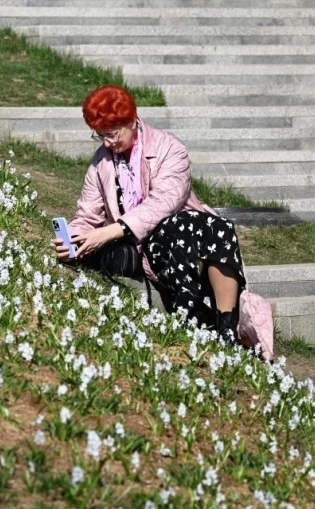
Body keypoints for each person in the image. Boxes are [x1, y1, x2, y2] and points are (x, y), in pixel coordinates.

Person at [54, 84, 273, 357]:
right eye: (100, 136)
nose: (108, 143)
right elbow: (87, 214)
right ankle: (194, 319)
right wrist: (72, 239)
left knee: (214, 228)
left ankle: (225, 326)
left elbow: (163, 204)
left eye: (112, 134)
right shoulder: (101, 163)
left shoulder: (170, 148)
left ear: (132, 121)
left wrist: (110, 231)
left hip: (186, 235)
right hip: (149, 245)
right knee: (185, 230)